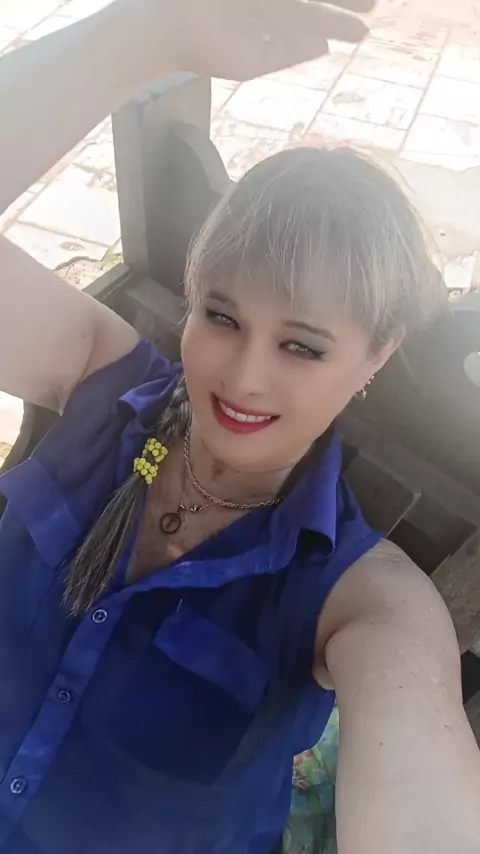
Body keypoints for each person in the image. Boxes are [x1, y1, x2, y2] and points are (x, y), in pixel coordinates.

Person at [0, 1, 479, 852]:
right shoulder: (99, 382)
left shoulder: (363, 600)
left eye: (302, 345)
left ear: (373, 357)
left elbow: (421, 798)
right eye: (221, 316)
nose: (244, 376)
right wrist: (142, 35)